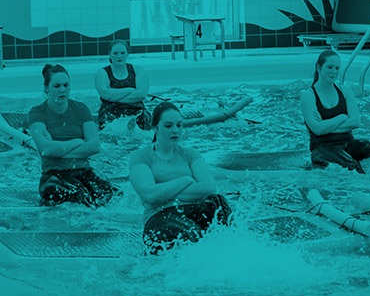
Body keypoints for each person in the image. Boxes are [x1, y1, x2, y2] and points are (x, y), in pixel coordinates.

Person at [129, 101, 232, 254]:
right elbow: (150, 195)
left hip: (192, 210)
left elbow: (209, 187)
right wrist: (186, 180)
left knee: (217, 202)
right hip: (160, 216)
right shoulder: (141, 156)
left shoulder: (190, 154)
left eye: (179, 125)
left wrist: (164, 192)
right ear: (155, 127)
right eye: (168, 126)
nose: (175, 130)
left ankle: (230, 247)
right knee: (192, 233)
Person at [28, 64, 118, 207]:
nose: (62, 90)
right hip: (53, 174)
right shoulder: (38, 112)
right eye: (56, 86)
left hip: (83, 171)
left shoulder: (80, 109)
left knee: (110, 195)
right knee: (79, 197)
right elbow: (46, 149)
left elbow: (94, 146)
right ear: (46, 88)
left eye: (66, 85)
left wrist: (57, 150)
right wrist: (78, 141)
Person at [301, 50, 370, 173]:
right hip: (323, 148)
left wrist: (326, 127)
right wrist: (342, 117)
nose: (334, 71)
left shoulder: (345, 91)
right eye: (330, 67)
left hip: (347, 143)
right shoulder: (309, 96)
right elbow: (317, 129)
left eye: (337, 68)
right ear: (318, 67)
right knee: (351, 166)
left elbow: (355, 122)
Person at [94, 39, 151, 129]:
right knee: (110, 127)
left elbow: (142, 94)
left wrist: (113, 97)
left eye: (122, 53)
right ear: (110, 54)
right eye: (115, 53)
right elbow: (106, 95)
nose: (119, 56)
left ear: (127, 54)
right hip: (110, 110)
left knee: (144, 122)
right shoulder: (102, 73)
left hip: (136, 109)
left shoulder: (137, 70)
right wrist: (129, 90)